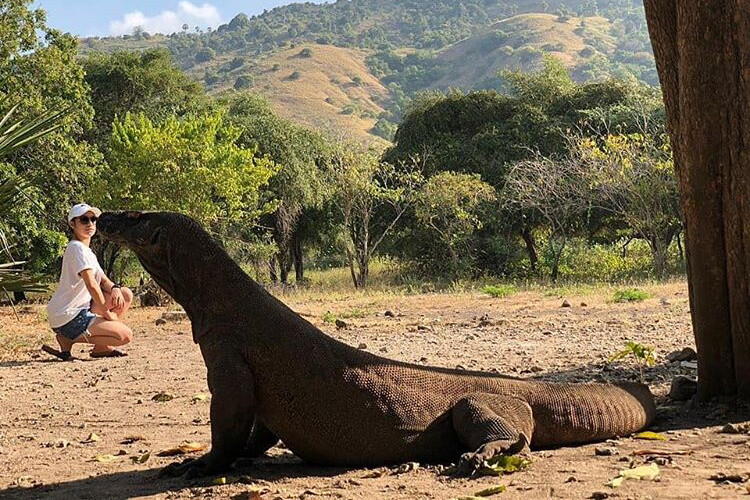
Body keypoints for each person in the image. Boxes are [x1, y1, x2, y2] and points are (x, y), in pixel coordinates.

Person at [42, 203, 134, 361]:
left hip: (80, 309)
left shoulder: (87, 251)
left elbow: (103, 280)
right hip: (68, 315)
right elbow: (92, 285)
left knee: (125, 294)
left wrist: (115, 288)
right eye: (84, 220)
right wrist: (107, 314)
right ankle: (67, 338)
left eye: (93, 219)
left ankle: (101, 348)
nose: (90, 224)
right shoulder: (76, 248)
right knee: (124, 336)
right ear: (73, 223)